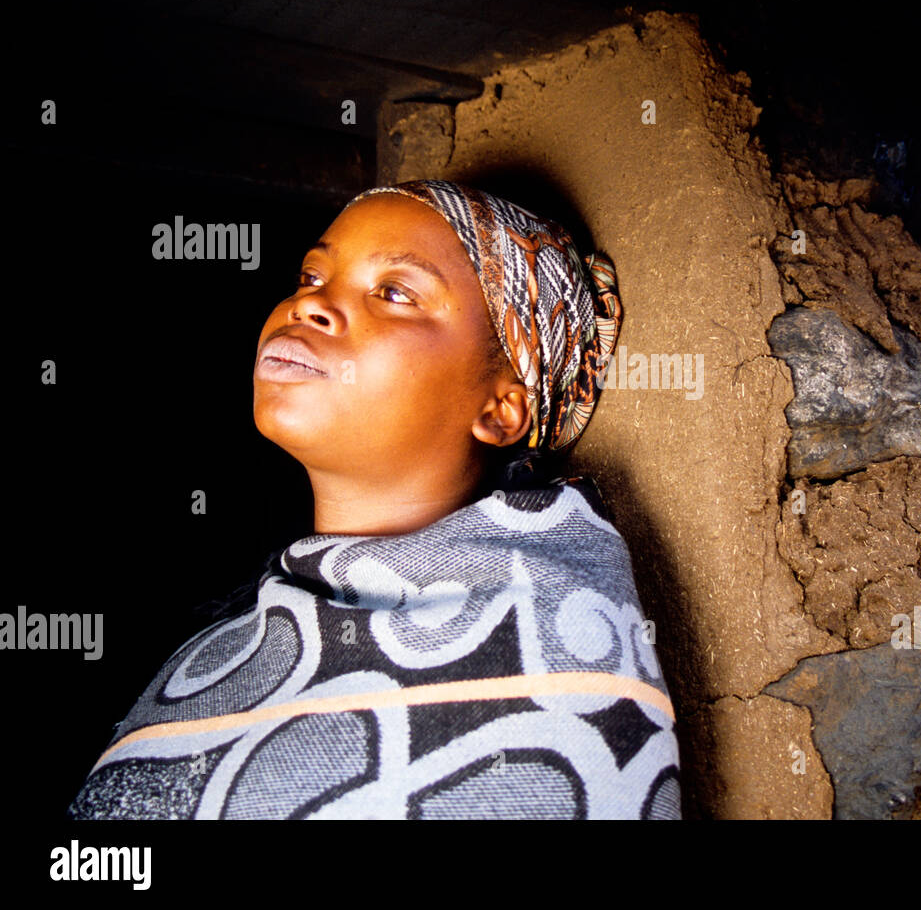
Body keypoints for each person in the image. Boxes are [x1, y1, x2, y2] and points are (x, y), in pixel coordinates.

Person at [69, 179, 681, 819]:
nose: (310, 306)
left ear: (501, 408)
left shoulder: (560, 670)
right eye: (311, 276)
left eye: (394, 293)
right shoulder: (209, 657)